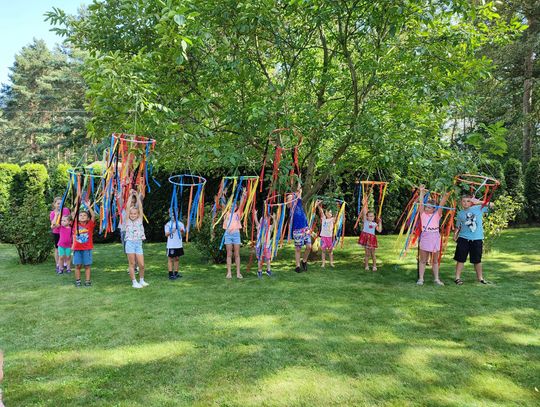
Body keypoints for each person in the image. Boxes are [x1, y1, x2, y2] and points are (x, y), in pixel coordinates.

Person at [453, 194, 494, 285]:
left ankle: (480, 278)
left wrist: (479, 202)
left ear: (471, 202)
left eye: (468, 201)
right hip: (463, 239)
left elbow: (492, 205)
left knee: (477, 260)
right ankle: (457, 278)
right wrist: (455, 235)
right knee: (460, 259)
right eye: (463, 201)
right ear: (461, 203)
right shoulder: (460, 214)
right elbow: (458, 226)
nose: (466, 203)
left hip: (477, 238)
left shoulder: (479, 208)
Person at [416, 185, 451, 286]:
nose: (427, 209)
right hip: (425, 236)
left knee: (435, 261)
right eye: (426, 207)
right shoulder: (422, 214)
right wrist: (422, 192)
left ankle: (436, 279)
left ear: (434, 209)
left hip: (435, 237)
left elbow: (441, 204)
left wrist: (445, 196)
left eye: (429, 207)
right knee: (423, 260)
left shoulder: (437, 214)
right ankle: (421, 279)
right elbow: (421, 204)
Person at [124, 190, 148, 288]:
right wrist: (130, 196)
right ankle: (134, 282)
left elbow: (140, 207)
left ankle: (141, 280)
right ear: (129, 214)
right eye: (131, 213)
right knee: (132, 263)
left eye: (135, 213)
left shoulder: (140, 219)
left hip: (138, 244)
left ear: (138, 214)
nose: (133, 215)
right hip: (130, 243)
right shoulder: (127, 220)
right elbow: (127, 207)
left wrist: (137, 196)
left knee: (141, 264)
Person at [223, 190, 247, 279]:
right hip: (228, 235)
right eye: (231, 205)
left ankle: (238, 273)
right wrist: (223, 195)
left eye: (235, 205)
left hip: (236, 234)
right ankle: (229, 272)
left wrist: (243, 196)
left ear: (236, 206)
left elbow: (242, 203)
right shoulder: (226, 213)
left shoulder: (238, 213)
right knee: (229, 254)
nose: (233, 206)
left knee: (237, 254)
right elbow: (222, 202)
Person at [287, 187, 311, 273]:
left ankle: (304, 261)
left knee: (309, 247)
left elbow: (299, 192)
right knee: (298, 248)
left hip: (305, 228)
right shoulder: (291, 209)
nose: (291, 198)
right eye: (289, 198)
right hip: (297, 230)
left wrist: (299, 187)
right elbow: (289, 203)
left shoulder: (299, 203)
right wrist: (291, 199)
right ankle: (297, 266)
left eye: (292, 197)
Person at [72, 201, 95, 287]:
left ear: (88, 218)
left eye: (84, 215)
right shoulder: (75, 224)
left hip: (87, 249)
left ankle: (87, 281)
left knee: (87, 265)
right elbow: (74, 214)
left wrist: (89, 207)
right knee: (77, 265)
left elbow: (93, 216)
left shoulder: (90, 224)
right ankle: (78, 281)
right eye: (80, 215)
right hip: (77, 249)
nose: (82, 216)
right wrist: (77, 206)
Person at [119, 191, 140, 275]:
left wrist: (135, 194)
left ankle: (135, 267)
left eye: (133, 202)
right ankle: (132, 266)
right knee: (127, 251)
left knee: (135, 250)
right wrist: (123, 186)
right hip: (124, 231)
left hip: (134, 232)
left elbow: (140, 200)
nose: (132, 203)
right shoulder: (123, 209)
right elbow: (120, 198)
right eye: (130, 201)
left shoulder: (136, 210)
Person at [357, 207, 382, 271]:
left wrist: (380, 222)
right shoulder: (365, 222)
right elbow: (364, 211)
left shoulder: (374, 224)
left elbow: (379, 230)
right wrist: (364, 201)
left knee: (373, 254)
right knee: (367, 254)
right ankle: (366, 266)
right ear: (367, 217)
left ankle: (374, 266)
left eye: (372, 216)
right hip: (366, 239)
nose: (371, 217)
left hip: (372, 239)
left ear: (374, 217)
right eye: (369, 216)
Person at [49, 197, 70, 273]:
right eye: (58, 203)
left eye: (61, 203)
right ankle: (58, 264)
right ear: (54, 204)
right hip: (57, 232)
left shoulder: (66, 210)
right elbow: (53, 224)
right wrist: (56, 215)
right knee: (58, 248)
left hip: (65, 232)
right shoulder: (52, 213)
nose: (59, 205)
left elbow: (69, 220)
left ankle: (65, 263)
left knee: (66, 247)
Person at [254, 210, 275, 278]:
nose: (264, 221)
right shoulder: (259, 227)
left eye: (267, 219)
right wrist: (255, 215)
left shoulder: (269, 228)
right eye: (263, 219)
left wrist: (274, 218)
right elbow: (256, 221)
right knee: (260, 259)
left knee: (268, 259)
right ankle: (259, 271)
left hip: (267, 246)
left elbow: (274, 225)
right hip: (259, 246)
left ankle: (268, 270)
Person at [165, 212, 185, 280]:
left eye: (174, 214)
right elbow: (166, 234)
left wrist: (181, 230)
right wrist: (171, 231)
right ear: (169, 215)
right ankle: (170, 274)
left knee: (177, 258)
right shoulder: (168, 224)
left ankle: (176, 273)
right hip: (171, 245)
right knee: (170, 259)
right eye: (171, 214)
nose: (173, 216)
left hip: (178, 244)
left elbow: (182, 234)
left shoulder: (180, 223)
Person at [317, 200, 335, 268]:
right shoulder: (324, 218)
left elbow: (337, 214)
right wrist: (318, 205)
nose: (328, 213)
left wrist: (336, 206)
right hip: (323, 237)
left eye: (330, 212)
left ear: (332, 214)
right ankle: (323, 263)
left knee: (330, 251)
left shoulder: (332, 219)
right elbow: (321, 212)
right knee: (323, 251)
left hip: (329, 237)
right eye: (327, 212)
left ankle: (331, 263)